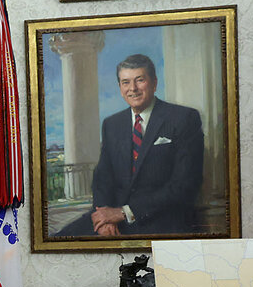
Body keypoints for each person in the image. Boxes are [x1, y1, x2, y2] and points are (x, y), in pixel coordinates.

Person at [55, 53, 203, 238]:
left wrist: (125, 212)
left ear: (154, 83)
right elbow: (102, 179)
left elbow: (184, 185)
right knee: (58, 239)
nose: (133, 88)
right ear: (119, 87)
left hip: (160, 219)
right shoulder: (112, 124)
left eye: (139, 80)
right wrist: (104, 219)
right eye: (125, 82)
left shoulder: (183, 119)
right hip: (114, 219)